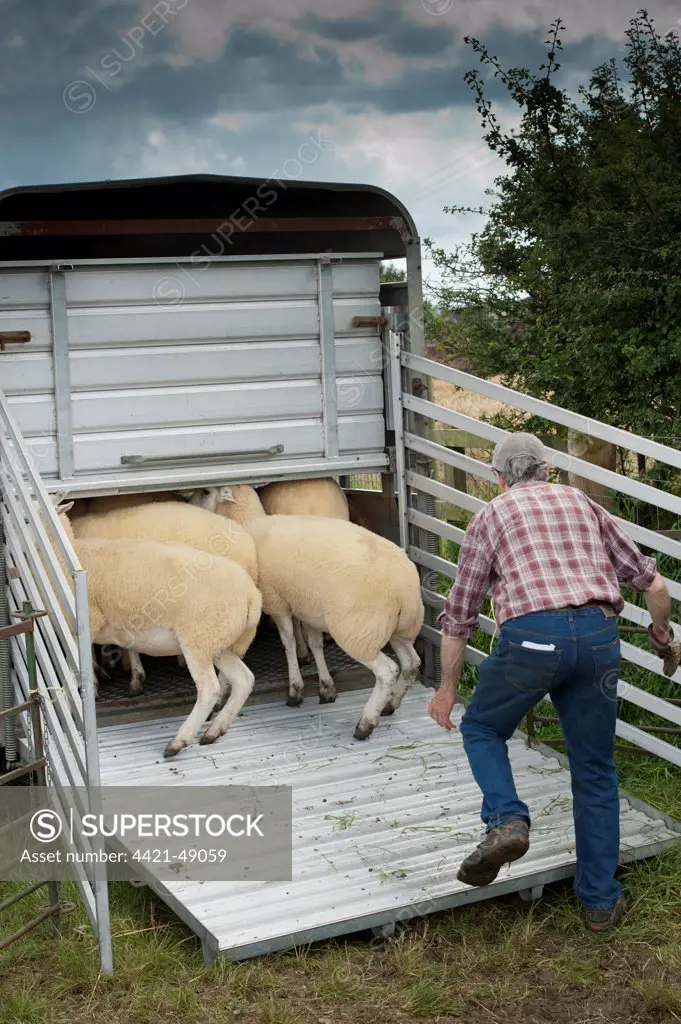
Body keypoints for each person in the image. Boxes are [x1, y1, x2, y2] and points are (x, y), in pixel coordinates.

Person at [428, 432, 678, 933]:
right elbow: (653, 583)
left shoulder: (491, 515)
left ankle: (508, 821)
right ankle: (601, 902)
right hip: (597, 639)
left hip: (531, 640)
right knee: (595, 771)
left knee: (482, 728)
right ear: (547, 469)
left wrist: (447, 688)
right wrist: (663, 636)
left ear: (497, 478)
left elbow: (459, 617)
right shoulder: (582, 502)